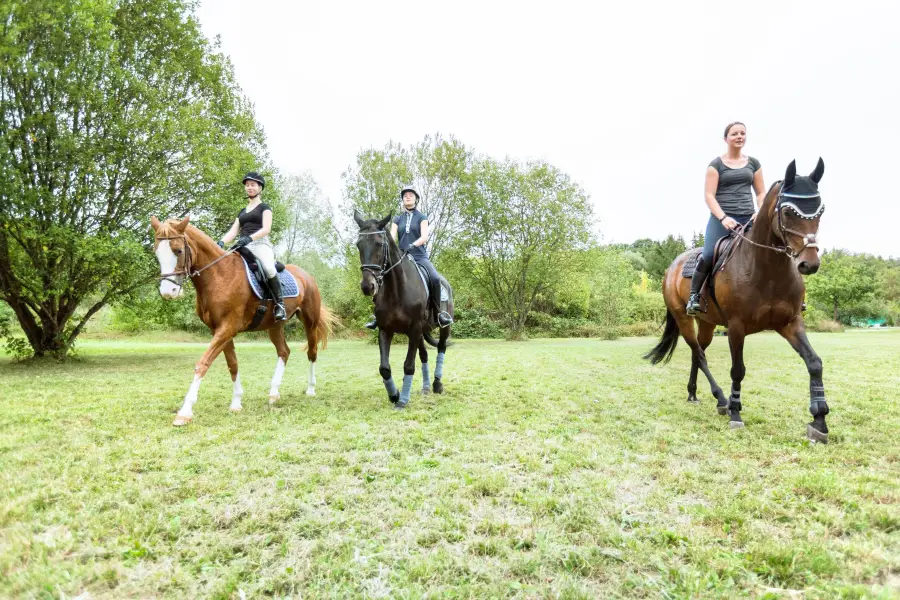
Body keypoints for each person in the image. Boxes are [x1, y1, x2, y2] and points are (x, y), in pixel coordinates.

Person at [686, 122, 767, 315]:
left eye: (742, 133)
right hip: (722, 218)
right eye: (734, 134)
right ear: (726, 139)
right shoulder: (715, 165)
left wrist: (760, 210)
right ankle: (694, 297)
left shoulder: (754, 163)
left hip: (750, 218)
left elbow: (761, 192)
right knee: (708, 255)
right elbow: (709, 196)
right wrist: (723, 218)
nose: (739, 136)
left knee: (772, 249)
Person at [364, 184, 454, 329]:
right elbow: (391, 238)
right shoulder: (397, 219)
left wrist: (413, 245)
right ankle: (377, 315)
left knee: (436, 279)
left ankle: (439, 314)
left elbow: (424, 236)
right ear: (403, 200)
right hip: (401, 257)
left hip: (419, 257)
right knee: (382, 278)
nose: (407, 197)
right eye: (405, 195)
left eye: (410, 195)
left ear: (416, 199)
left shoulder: (422, 217)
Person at [218, 172, 287, 321]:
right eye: (247, 185)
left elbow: (266, 229)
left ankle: (280, 304)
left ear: (260, 188)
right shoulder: (242, 212)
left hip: (260, 244)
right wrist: (221, 242)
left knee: (269, 268)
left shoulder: (265, 208)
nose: (249, 187)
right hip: (243, 245)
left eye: (253, 185)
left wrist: (249, 238)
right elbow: (233, 231)